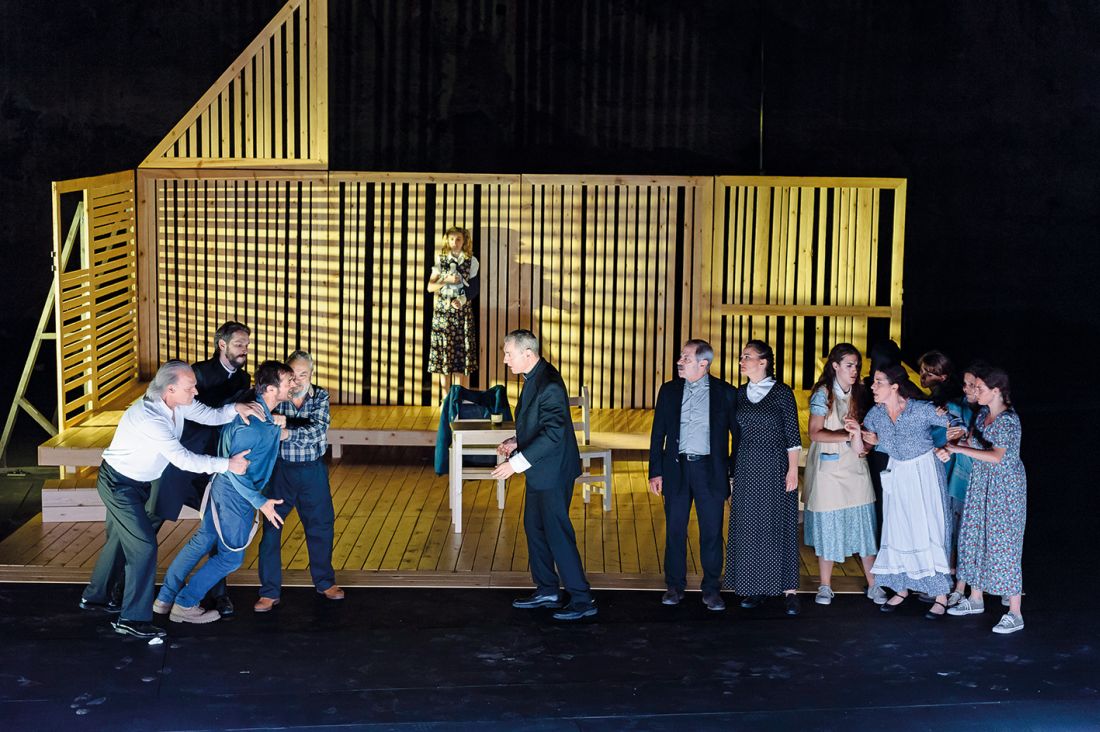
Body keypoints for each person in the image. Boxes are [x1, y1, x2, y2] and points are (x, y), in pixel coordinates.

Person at [81, 361, 260, 639]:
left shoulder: (177, 403)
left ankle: (95, 598)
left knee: (117, 540)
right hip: (119, 485)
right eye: (190, 387)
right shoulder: (150, 418)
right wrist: (228, 464)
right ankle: (131, 619)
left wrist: (236, 408)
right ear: (170, 389)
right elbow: (183, 459)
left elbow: (209, 415)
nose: (196, 392)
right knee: (144, 546)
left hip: (138, 483)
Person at [155, 361, 292, 624]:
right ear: (271, 389)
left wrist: (281, 429)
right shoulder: (252, 425)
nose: (293, 385)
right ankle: (185, 603)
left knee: (202, 542)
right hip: (234, 497)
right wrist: (260, 501)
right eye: (288, 382)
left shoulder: (259, 418)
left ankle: (165, 598)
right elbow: (236, 470)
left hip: (221, 490)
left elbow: (268, 437)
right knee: (231, 558)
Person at [491, 329, 595, 621]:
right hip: (541, 471)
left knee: (557, 533)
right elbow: (540, 424)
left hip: (554, 472)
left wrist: (515, 463)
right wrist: (517, 441)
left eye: (508, 354)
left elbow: (553, 434)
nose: (505, 359)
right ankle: (548, 589)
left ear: (528, 353)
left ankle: (582, 599)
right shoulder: (534, 376)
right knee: (535, 529)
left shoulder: (548, 383)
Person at [156, 320, 253, 617]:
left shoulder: (243, 377)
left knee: (216, 528)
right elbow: (195, 412)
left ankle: (219, 595)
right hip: (185, 458)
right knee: (152, 523)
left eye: (247, 345)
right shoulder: (196, 373)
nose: (245, 350)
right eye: (239, 344)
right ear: (221, 344)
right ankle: (127, 586)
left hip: (216, 460)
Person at [648, 339, 738, 611]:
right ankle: (674, 586)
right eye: (681, 357)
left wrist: (731, 472)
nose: (680, 362)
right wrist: (655, 471)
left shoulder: (726, 393)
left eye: (686, 358)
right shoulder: (669, 391)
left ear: (703, 364)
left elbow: (738, 437)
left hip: (710, 470)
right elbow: (658, 434)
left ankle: (711, 589)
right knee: (675, 530)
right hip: (676, 469)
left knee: (712, 532)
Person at [860, 364, 953, 620]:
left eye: (878, 382)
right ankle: (900, 588)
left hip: (923, 472)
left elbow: (955, 424)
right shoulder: (876, 414)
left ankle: (940, 595)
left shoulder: (920, 410)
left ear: (894, 386)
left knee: (928, 527)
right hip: (898, 472)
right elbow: (865, 443)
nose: (872, 386)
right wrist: (863, 438)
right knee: (898, 528)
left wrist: (949, 446)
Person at [254, 351, 344, 611]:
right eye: (292, 375)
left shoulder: (320, 396)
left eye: (303, 374)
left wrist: (285, 431)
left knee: (321, 526)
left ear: (312, 374)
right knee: (271, 530)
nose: (297, 381)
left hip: (312, 471)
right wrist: (286, 428)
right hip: (280, 471)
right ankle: (269, 591)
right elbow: (264, 426)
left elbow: (318, 431)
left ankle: (325, 582)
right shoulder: (276, 396)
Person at [944, 366, 1027, 634]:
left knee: (1004, 544)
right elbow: (972, 444)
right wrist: (952, 446)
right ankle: (975, 597)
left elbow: (997, 456)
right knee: (974, 536)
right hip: (981, 483)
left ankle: (1015, 612)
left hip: (1004, 489)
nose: (975, 391)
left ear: (996, 391)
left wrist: (959, 449)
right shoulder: (982, 415)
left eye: (980, 388)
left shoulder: (1008, 421)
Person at [723, 340, 803, 616]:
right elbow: (736, 435)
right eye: (741, 356)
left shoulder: (781, 393)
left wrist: (792, 470)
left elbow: (793, 435)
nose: (742, 361)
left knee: (779, 524)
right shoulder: (740, 393)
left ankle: (789, 591)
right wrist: (733, 472)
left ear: (763, 362)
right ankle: (754, 587)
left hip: (776, 465)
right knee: (749, 526)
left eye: (747, 356)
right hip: (747, 465)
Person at [803, 344, 883, 606]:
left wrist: (865, 439)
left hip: (856, 468)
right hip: (828, 471)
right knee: (828, 528)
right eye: (849, 365)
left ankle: (874, 584)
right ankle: (825, 585)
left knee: (864, 527)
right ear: (835, 366)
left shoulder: (861, 393)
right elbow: (815, 432)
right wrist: (847, 435)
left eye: (857, 365)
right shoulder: (823, 394)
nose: (854, 370)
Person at [427, 226, 479, 402]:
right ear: (447, 241)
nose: (455, 242)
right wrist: (445, 280)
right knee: (444, 355)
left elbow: (474, 288)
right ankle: (445, 399)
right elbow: (430, 287)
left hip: (462, 315)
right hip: (443, 315)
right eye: (451, 239)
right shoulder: (440, 260)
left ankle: (459, 398)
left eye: (458, 239)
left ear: (464, 241)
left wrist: (462, 300)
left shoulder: (471, 261)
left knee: (460, 356)